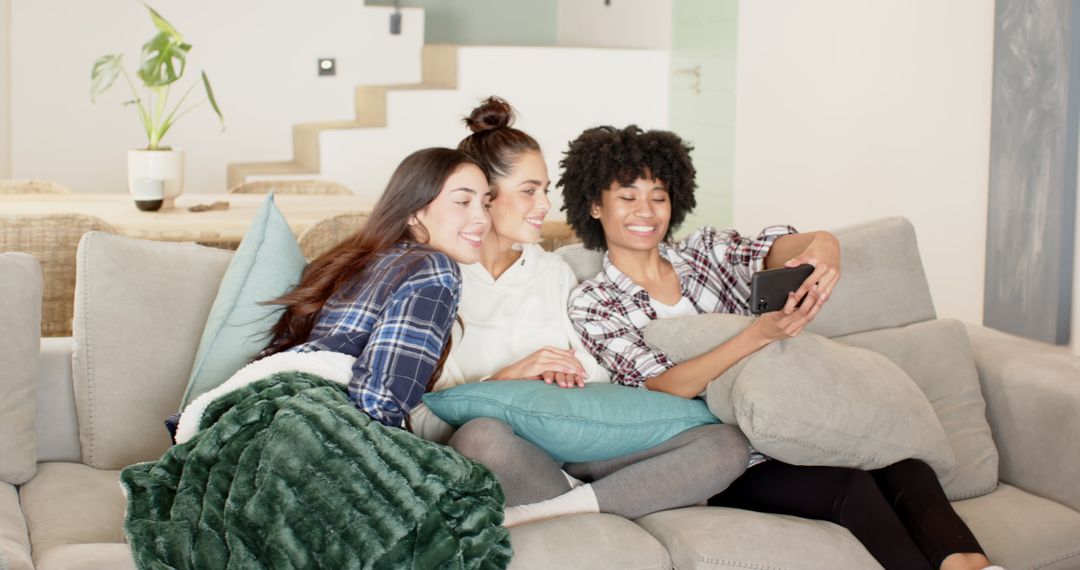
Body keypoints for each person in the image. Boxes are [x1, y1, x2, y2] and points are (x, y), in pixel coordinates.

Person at [560, 125, 999, 570]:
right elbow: (663, 386)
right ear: (595, 205)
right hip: (717, 459)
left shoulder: (706, 253)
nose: (646, 211)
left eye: (658, 195)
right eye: (627, 196)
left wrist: (825, 245)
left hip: (799, 428)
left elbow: (779, 249)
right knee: (851, 489)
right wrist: (757, 336)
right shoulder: (594, 302)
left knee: (908, 469)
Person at [417, 97, 752, 528]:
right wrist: (506, 378)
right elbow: (423, 421)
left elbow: (599, 375)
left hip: (582, 451)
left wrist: (571, 372)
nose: (544, 206)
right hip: (513, 458)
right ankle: (617, 498)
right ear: (485, 196)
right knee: (481, 437)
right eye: (528, 191)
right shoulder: (437, 279)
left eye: (545, 190)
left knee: (726, 443)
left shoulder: (553, 271)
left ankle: (557, 509)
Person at [260, 147, 490, 429]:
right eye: (463, 201)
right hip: (311, 423)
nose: (483, 218)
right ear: (414, 212)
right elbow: (379, 404)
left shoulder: (362, 259)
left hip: (268, 402)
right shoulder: (434, 268)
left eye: (486, 204)